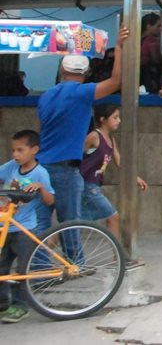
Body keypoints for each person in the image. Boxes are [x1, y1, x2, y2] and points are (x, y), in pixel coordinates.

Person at [38, 26, 128, 240]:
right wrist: (120, 47)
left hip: (41, 165)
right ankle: (75, 264)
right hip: (66, 168)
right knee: (69, 224)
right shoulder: (82, 93)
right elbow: (116, 81)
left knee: (41, 224)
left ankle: (39, 267)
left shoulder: (46, 96)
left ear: (62, 70)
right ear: (86, 74)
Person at [0, 129, 55, 325]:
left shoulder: (41, 172)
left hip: (24, 228)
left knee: (24, 268)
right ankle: (3, 301)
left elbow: (50, 201)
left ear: (34, 150)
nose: (15, 154)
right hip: (4, 226)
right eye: (13, 150)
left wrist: (40, 187)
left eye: (20, 150)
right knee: (2, 265)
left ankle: (21, 305)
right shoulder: (11, 167)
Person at [80, 105, 148, 262]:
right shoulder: (94, 136)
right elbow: (77, 155)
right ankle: (118, 257)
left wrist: (135, 178)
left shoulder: (111, 139)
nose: (119, 121)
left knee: (71, 221)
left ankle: (43, 254)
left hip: (94, 186)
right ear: (103, 119)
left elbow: (119, 162)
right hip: (86, 186)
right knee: (113, 216)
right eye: (115, 117)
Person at [140, 13, 162, 93]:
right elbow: (156, 60)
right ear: (148, 26)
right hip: (148, 79)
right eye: (158, 26)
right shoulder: (151, 41)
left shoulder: (136, 39)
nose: (160, 29)